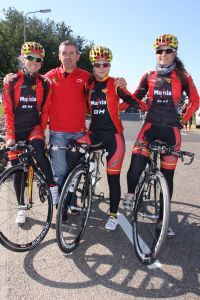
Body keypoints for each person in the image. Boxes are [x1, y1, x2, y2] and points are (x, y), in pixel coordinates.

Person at [124, 34, 199, 236]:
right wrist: (115, 104)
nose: (163, 54)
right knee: (135, 167)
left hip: (172, 132)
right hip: (149, 129)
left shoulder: (184, 76)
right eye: (159, 51)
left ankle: (162, 219)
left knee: (167, 177)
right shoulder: (148, 75)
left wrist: (183, 120)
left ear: (175, 52)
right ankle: (131, 194)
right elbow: (135, 97)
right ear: (155, 54)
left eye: (168, 50)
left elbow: (195, 101)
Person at [76, 45, 147, 230]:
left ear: (110, 65)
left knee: (113, 179)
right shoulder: (87, 85)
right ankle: (74, 183)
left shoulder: (115, 84)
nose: (101, 68)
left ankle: (113, 214)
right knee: (72, 148)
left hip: (114, 137)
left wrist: (152, 110)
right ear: (92, 65)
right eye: (97, 64)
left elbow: (133, 100)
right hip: (94, 133)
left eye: (105, 64)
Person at [3, 42, 60, 224]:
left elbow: (46, 110)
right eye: (30, 58)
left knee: (38, 151)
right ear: (22, 58)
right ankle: (21, 207)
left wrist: (41, 132)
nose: (34, 62)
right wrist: (10, 135)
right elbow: (8, 111)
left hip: (34, 127)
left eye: (39, 60)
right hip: (16, 129)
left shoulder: (44, 83)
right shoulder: (11, 81)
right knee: (17, 170)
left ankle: (52, 187)